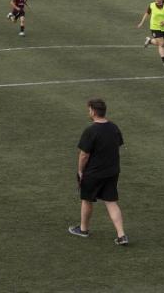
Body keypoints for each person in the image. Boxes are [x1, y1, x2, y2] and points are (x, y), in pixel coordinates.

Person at [68, 98, 128, 246]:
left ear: (93, 111)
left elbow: (84, 154)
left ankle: (83, 229)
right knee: (111, 202)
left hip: (94, 173)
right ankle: (121, 235)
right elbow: (117, 145)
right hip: (112, 171)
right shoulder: (114, 127)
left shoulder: (91, 130)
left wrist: (80, 171)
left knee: (87, 200)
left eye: (89, 110)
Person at [137, 0, 164, 68]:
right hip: (154, 27)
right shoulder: (152, 5)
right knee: (162, 44)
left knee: (159, 43)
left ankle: (149, 41)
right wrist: (141, 22)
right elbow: (146, 14)